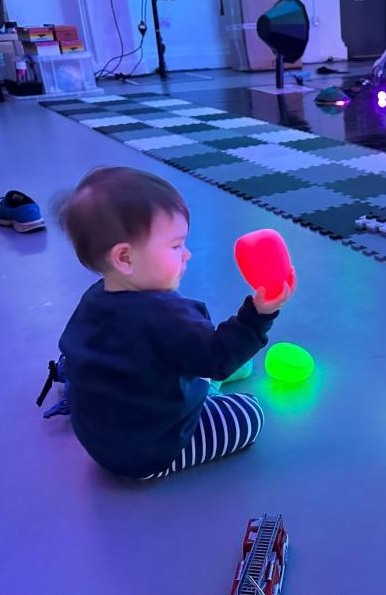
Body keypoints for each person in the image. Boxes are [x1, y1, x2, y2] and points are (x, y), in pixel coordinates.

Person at [55, 167, 294, 479]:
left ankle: (198, 389)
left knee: (217, 366)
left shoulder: (94, 298)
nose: (188, 255)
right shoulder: (166, 316)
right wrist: (259, 314)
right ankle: (210, 399)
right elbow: (217, 358)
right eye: (176, 245)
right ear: (124, 258)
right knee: (251, 414)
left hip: (97, 435)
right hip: (150, 452)